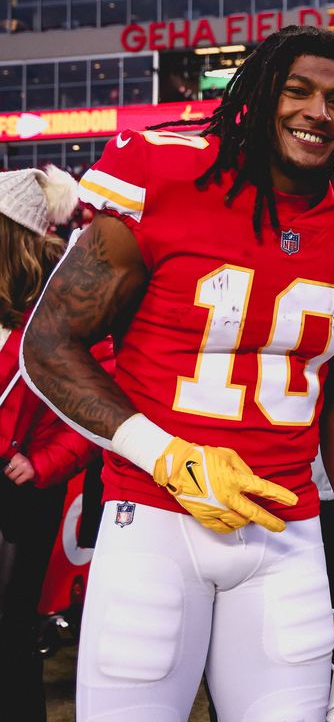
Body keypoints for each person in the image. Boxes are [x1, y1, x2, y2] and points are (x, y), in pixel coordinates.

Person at [21, 26, 334, 722]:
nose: (317, 112)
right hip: (155, 522)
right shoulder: (166, 174)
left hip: (285, 530)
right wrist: (166, 455)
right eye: (297, 91)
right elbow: (49, 344)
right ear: (258, 96)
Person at [0, 165, 111, 722]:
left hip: (19, 495)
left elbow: (98, 401)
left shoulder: (63, 301)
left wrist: (41, 463)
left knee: (9, 636)